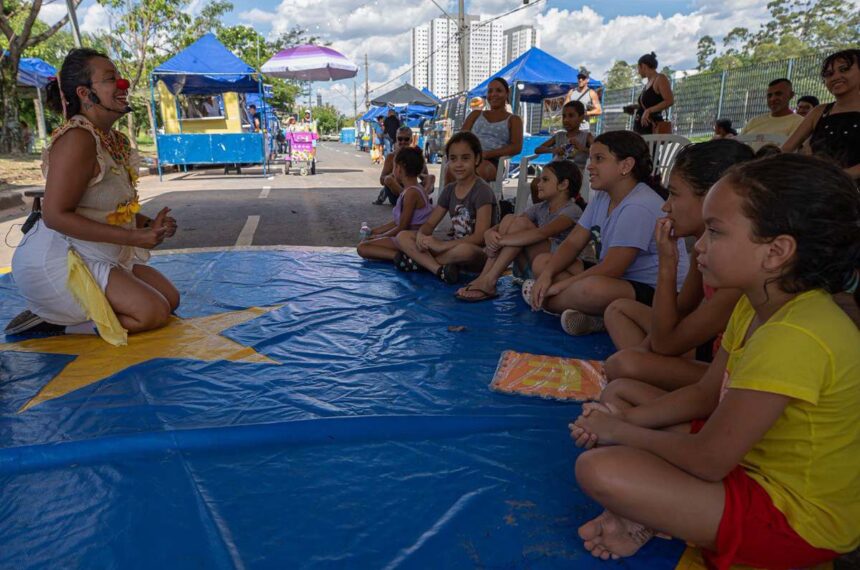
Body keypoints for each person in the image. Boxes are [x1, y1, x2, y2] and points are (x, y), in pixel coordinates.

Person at [569, 154, 860, 569]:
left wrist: (619, 430)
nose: (701, 246)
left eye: (716, 232)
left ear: (777, 251)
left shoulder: (796, 335)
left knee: (600, 470)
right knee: (622, 396)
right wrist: (625, 419)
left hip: (797, 518)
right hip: (752, 460)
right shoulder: (754, 303)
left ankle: (649, 513)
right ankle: (646, 515)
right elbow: (707, 393)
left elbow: (708, 460)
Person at [6, 48, 179, 339]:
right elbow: (54, 216)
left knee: (170, 299)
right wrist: (134, 238)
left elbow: (107, 208)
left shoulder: (113, 140)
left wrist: (148, 225)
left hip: (102, 253)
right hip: (62, 261)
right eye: (111, 79)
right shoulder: (78, 139)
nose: (123, 84)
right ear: (85, 93)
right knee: (153, 313)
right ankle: (53, 322)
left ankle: (93, 308)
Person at [602, 140, 754, 391]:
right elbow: (679, 311)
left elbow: (666, 343)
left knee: (623, 366)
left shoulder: (738, 272)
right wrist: (646, 353)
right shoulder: (703, 249)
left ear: (712, 198)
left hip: (728, 371)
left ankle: (655, 383)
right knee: (618, 310)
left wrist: (667, 264)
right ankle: (654, 379)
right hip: (705, 348)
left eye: (674, 193)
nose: (665, 206)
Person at [524, 130, 689, 336]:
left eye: (599, 159)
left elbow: (612, 268)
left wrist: (558, 287)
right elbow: (573, 243)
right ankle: (593, 315)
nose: (590, 166)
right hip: (618, 280)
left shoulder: (638, 205)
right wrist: (547, 275)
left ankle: (544, 301)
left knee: (591, 289)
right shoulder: (603, 196)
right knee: (543, 262)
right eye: (591, 158)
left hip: (654, 290)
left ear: (626, 166)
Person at [454, 160, 583, 302]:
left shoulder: (572, 210)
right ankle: (485, 277)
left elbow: (543, 233)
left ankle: (490, 280)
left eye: (545, 180)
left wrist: (500, 241)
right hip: (528, 266)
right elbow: (511, 223)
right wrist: (490, 232)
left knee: (521, 224)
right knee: (509, 218)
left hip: (549, 267)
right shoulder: (540, 207)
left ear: (563, 185)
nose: (538, 184)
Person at [394, 132, 498, 284]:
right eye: (453, 159)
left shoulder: (482, 190)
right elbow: (430, 224)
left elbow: (480, 237)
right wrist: (422, 235)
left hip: (479, 253)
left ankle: (420, 263)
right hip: (452, 248)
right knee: (403, 236)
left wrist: (442, 245)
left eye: (465, 158)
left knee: (465, 250)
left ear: (476, 159)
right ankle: (438, 269)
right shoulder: (449, 190)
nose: (459, 164)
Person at [782, 49, 860, 182]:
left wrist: (840, 177)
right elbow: (786, 149)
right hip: (818, 184)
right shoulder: (819, 111)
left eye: (844, 69)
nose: (835, 77)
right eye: (829, 74)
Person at [358, 147, 434, 263]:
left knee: (363, 247)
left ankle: (403, 257)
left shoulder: (411, 193)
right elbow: (397, 222)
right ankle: (405, 256)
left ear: (399, 169)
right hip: (406, 235)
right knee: (367, 241)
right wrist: (375, 231)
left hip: (410, 239)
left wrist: (381, 236)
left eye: (394, 167)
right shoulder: (412, 189)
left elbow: (402, 227)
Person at [459, 77, 523, 183]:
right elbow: (460, 138)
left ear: (507, 93)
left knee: (477, 171)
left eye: (499, 90)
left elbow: (516, 147)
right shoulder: (475, 114)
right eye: (490, 91)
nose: (493, 94)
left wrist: (487, 154)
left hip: (494, 161)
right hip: (469, 157)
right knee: (450, 170)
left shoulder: (514, 120)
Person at [530, 100, 592, 203]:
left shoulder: (586, 137)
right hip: (556, 172)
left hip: (575, 174)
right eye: (564, 116)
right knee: (535, 184)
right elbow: (537, 149)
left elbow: (599, 152)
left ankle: (558, 209)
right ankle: (540, 210)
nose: (566, 120)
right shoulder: (559, 136)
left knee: (557, 186)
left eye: (571, 116)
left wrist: (582, 148)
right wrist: (553, 150)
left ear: (581, 118)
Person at [373, 126, 435, 205]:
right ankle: (408, 198)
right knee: (388, 179)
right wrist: (395, 174)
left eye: (406, 139)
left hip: (413, 187)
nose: (403, 142)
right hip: (397, 192)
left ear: (411, 140)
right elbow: (382, 179)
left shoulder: (417, 156)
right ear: (396, 139)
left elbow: (426, 177)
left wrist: (415, 173)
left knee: (431, 178)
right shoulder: (391, 157)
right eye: (400, 139)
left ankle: (423, 197)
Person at [632, 52, 674, 135]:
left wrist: (649, 111)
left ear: (643, 66)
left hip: (652, 128)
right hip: (641, 129)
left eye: (638, 68)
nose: (638, 72)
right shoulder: (648, 83)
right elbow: (650, 103)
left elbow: (669, 101)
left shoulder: (660, 79)